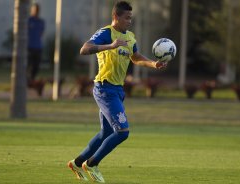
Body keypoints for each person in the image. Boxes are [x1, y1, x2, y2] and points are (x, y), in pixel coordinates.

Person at [68, 1, 167, 183]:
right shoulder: (106, 33)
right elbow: (84, 49)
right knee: (122, 132)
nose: (130, 21)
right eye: (127, 18)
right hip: (104, 89)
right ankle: (91, 163)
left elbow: (135, 57)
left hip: (118, 90)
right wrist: (110, 46)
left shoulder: (130, 37)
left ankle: (77, 162)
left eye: (131, 17)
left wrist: (154, 63)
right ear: (116, 17)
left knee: (106, 133)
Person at [27, 3, 45, 81]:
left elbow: (41, 33)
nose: (36, 11)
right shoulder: (28, 20)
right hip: (29, 47)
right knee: (27, 65)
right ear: (31, 10)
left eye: (37, 10)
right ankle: (25, 81)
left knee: (36, 66)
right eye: (34, 9)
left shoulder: (41, 22)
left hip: (38, 47)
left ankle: (32, 80)